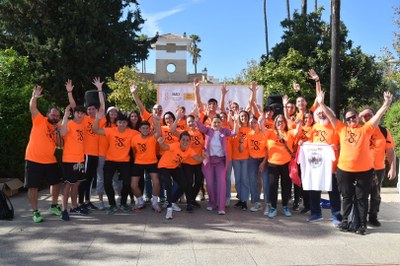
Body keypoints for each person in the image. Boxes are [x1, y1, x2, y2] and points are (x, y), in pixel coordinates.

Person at [316, 90, 393, 235]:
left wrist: (386, 104)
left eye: (353, 117)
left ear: (358, 117)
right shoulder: (341, 128)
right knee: (347, 197)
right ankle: (345, 222)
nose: (351, 121)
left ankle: (362, 225)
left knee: (361, 198)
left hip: (364, 171)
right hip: (344, 170)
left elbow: (377, 116)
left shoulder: (366, 129)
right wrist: (321, 103)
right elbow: (331, 116)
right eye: (348, 119)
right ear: (345, 121)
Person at [25, 86, 64, 222]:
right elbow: (33, 108)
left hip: (50, 160)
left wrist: (58, 132)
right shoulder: (39, 120)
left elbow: (60, 145)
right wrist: (34, 97)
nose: (55, 117)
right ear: (48, 114)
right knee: (33, 186)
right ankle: (35, 211)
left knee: (56, 183)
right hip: (33, 158)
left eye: (58, 116)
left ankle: (54, 205)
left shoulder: (58, 127)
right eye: (53, 115)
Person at [93, 111, 139, 214]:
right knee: (107, 182)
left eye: (124, 122)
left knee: (127, 183)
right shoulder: (111, 131)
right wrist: (97, 118)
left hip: (124, 162)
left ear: (127, 123)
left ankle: (123, 203)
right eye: (120, 122)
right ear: (116, 123)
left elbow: (145, 135)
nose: (122, 124)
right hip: (110, 161)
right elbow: (95, 129)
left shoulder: (132, 132)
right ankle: (112, 204)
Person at [301, 106, 341, 225]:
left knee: (333, 191)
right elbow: (311, 142)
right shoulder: (315, 127)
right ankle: (316, 213)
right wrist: (304, 144)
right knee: (314, 190)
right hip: (316, 166)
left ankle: (336, 216)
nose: (321, 115)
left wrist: (337, 147)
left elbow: (342, 144)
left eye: (323, 113)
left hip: (331, 166)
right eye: (319, 113)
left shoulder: (335, 126)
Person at [359, 107, 397, 227]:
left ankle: (373, 217)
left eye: (369, 115)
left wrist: (393, 168)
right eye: (364, 116)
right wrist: (360, 115)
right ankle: (362, 219)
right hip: (361, 169)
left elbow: (390, 151)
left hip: (378, 169)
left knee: (375, 195)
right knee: (361, 195)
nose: (367, 118)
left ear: (376, 116)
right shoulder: (359, 130)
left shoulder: (384, 131)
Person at [157, 131, 206, 219]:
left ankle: (172, 201)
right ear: (180, 140)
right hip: (163, 166)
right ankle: (169, 209)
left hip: (174, 167)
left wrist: (204, 157)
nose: (185, 142)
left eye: (187, 140)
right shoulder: (175, 145)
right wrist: (160, 143)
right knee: (168, 184)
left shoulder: (189, 150)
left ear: (190, 141)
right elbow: (165, 147)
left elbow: (197, 159)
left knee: (185, 184)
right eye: (183, 140)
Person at [263, 114, 302, 218]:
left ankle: (285, 206)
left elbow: (297, 131)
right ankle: (273, 208)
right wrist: (260, 119)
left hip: (286, 164)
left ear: (285, 123)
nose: (280, 123)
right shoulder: (271, 132)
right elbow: (262, 128)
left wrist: (299, 123)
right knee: (273, 187)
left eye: (282, 121)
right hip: (273, 164)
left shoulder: (289, 133)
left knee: (286, 187)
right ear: (275, 123)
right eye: (278, 121)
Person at [59, 104, 87, 221]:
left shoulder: (83, 125)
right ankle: (64, 210)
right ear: (74, 114)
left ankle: (74, 206)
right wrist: (65, 116)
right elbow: (63, 133)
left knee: (76, 183)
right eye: (77, 112)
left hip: (80, 159)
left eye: (82, 113)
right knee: (68, 184)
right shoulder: (69, 124)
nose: (80, 115)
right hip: (69, 159)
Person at [130, 121, 161, 213]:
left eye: (147, 128)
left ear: (149, 129)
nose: (145, 130)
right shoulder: (134, 138)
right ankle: (140, 202)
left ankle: (155, 203)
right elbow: (134, 151)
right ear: (139, 129)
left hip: (152, 162)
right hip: (138, 162)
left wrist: (157, 122)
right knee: (133, 185)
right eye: (143, 128)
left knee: (156, 182)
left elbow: (159, 133)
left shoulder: (153, 137)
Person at [239, 115, 268, 213]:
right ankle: (256, 203)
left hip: (264, 159)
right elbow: (241, 149)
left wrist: (264, 162)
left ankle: (268, 204)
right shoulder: (248, 134)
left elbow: (269, 149)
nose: (252, 124)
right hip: (252, 160)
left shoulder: (264, 133)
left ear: (258, 123)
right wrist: (241, 142)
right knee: (252, 181)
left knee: (266, 181)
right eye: (251, 123)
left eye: (254, 122)